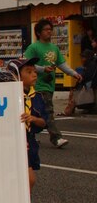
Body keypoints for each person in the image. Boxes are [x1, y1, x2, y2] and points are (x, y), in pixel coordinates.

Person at [24, 18, 82, 148]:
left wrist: (73, 73)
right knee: (48, 111)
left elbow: (62, 64)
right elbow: (27, 64)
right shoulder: (33, 47)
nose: (49, 32)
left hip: (49, 85)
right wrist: (42, 69)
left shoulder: (54, 48)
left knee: (35, 113)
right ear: (38, 32)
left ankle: (29, 135)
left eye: (51, 29)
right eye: (46, 30)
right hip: (37, 85)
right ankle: (56, 138)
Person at [6, 57, 47, 203]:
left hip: (28, 141)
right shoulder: (7, 96)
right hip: (10, 141)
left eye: (35, 72)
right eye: (28, 72)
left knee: (28, 180)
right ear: (16, 75)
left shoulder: (36, 97)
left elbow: (44, 122)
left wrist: (33, 119)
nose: (34, 75)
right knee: (21, 180)